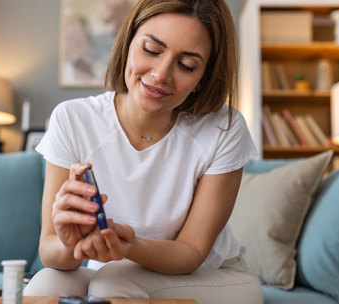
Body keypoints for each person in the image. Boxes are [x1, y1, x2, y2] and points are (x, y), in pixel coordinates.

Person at [23, 0, 263, 303]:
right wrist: (71, 244)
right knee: (47, 284)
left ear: (202, 79)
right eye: (151, 49)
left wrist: (131, 246)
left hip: (210, 275)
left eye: (186, 65)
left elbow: (191, 251)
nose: (161, 74)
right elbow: (51, 252)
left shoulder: (223, 129)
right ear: (127, 43)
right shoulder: (72, 119)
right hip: (115, 273)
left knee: (113, 282)